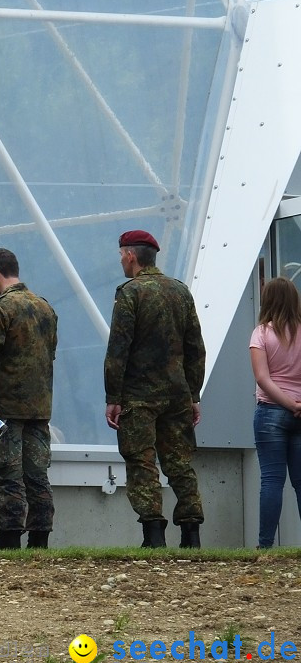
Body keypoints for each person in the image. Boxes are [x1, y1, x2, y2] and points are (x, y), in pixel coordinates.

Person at [105, 229, 205, 548]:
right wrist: (194, 394)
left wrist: (112, 397)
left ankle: (154, 534)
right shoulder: (181, 291)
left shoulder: (129, 293)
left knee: (141, 460)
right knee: (179, 462)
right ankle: (191, 533)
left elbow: (118, 349)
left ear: (131, 255)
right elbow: (195, 348)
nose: (121, 260)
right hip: (177, 394)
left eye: (121, 254)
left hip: (139, 396)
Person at [0, 248, 58, 549]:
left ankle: (10, 541)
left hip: (5, 411)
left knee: (7, 476)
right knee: (37, 475)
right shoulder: (45, 307)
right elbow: (50, 353)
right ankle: (40, 540)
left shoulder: (0, 309)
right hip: (40, 409)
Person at [250, 277, 301, 549]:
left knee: (272, 480)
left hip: (271, 412)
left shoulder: (261, 333)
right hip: (299, 413)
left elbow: (262, 378)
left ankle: (265, 546)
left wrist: (288, 404)